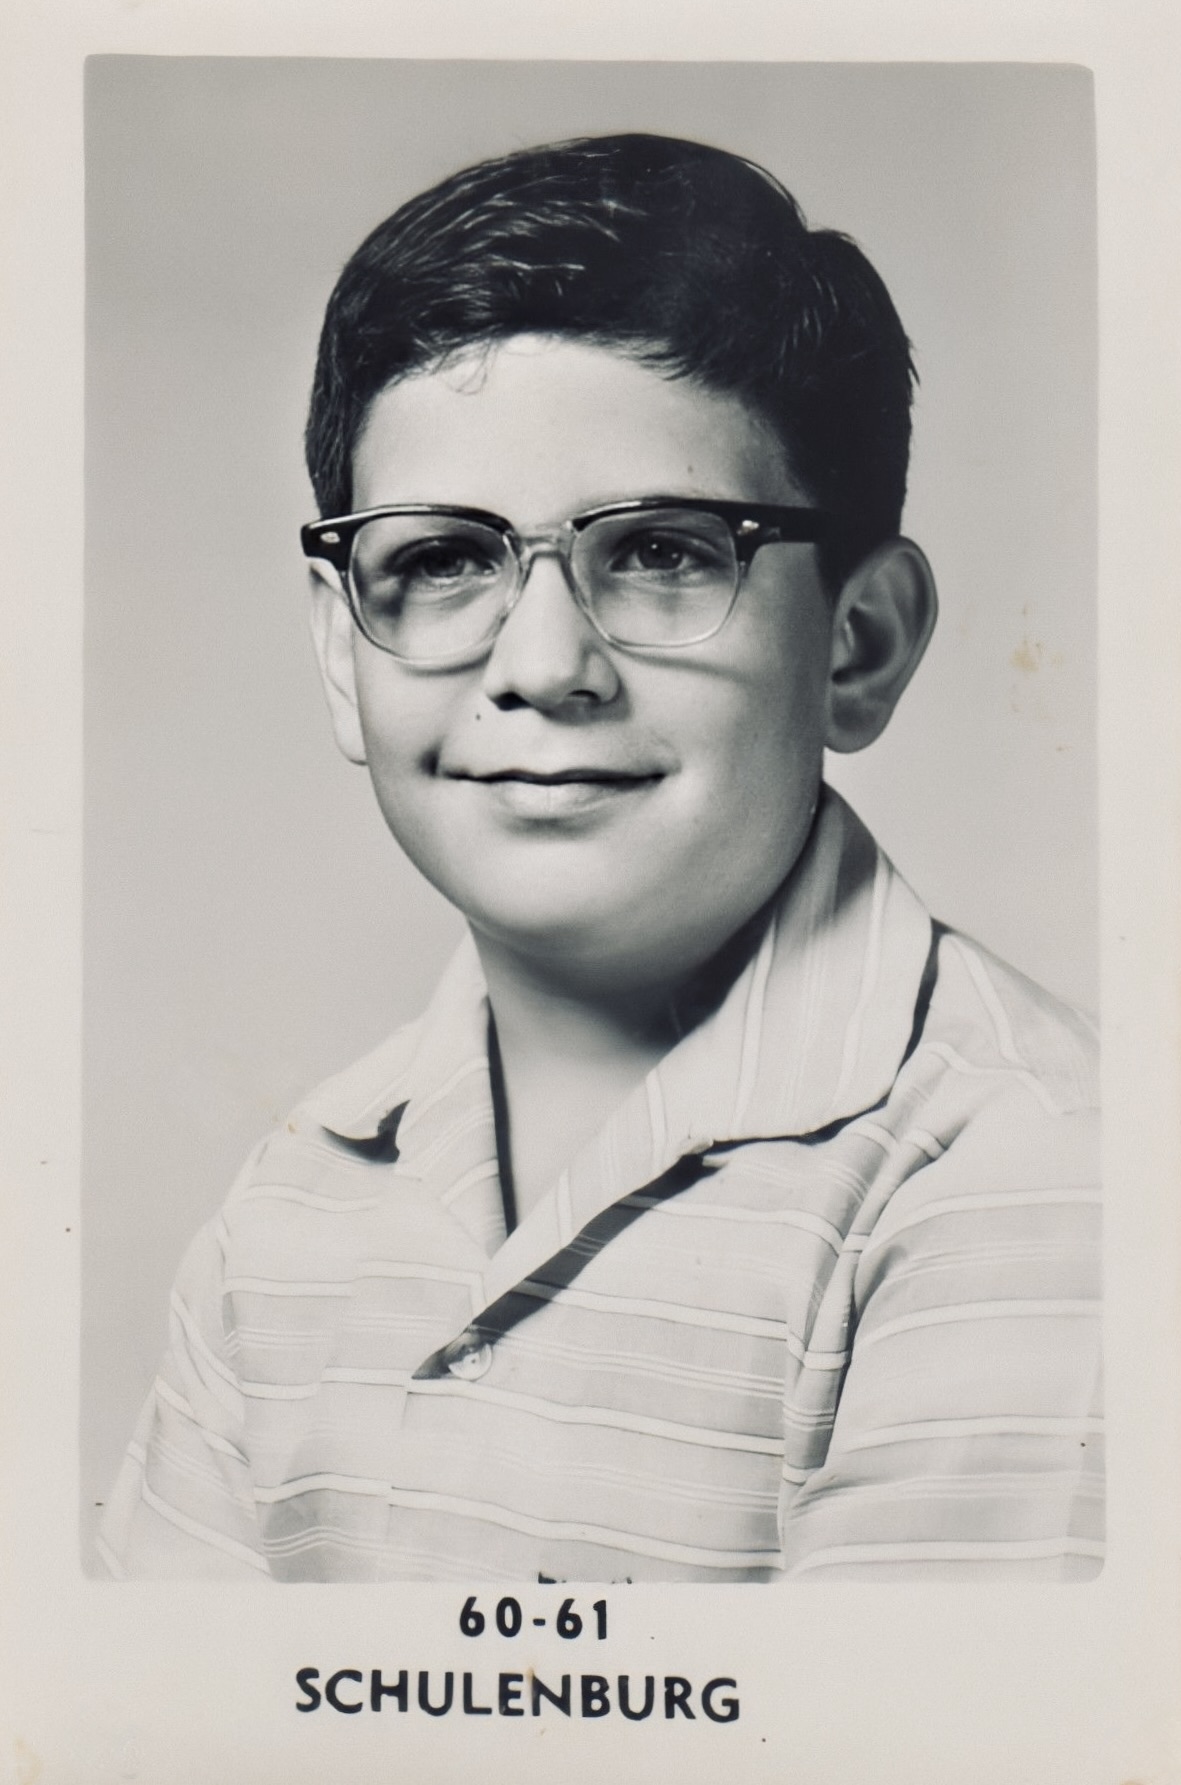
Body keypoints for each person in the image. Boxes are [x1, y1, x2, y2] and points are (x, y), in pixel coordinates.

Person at [98, 133, 1101, 1583]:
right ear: (340, 654)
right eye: (443, 560)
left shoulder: (1032, 1183)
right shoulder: (295, 1199)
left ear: (858, 644)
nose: (543, 664)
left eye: (665, 553)